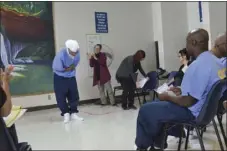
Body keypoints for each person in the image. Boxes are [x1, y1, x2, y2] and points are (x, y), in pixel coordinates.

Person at [135, 29, 227, 150]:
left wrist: (167, 96)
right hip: (204, 111)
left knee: (146, 110)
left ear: (194, 42)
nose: (186, 46)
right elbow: (203, 89)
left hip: (191, 112)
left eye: (187, 42)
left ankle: (142, 147)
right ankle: (157, 144)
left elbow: (188, 101)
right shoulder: (216, 63)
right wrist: (180, 90)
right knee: (157, 106)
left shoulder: (199, 64)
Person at [52, 39, 83, 123]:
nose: (74, 54)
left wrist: (68, 68)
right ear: (68, 49)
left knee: (74, 95)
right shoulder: (60, 55)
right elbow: (58, 68)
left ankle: (73, 113)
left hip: (71, 76)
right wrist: (68, 69)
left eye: (76, 52)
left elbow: (75, 64)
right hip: (60, 77)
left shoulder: (77, 52)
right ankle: (65, 113)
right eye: (73, 52)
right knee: (61, 96)